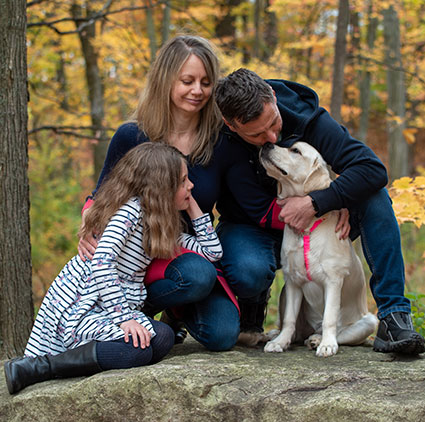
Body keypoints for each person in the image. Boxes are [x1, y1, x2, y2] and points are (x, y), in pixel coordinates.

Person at [214, 68, 425, 355]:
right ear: (231, 125)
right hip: (254, 226)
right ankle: (252, 309)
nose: (273, 137)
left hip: (321, 225)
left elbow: (372, 170)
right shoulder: (217, 138)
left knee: (374, 197)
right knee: (248, 268)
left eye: (274, 123)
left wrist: (326, 201)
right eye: (258, 135)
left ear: (274, 98)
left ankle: (394, 315)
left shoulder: (307, 118)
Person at [4, 142, 226, 395]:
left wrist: (191, 205)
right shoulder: (129, 213)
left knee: (162, 338)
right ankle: (40, 367)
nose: (191, 186)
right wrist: (124, 319)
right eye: (184, 181)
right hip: (87, 302)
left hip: (114, 304)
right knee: (137, 349)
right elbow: (102, 262)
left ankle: (98, 350)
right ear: (162, 189)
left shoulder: (161, 223)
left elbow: (212, 252)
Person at [77, 35, 240, 351]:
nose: (197, 91)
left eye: (206, 82)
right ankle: (134, 311)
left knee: (221, 335)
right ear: (166, 80)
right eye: (187, 80)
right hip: (140, 253)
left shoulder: (220, 141)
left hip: (188, 249)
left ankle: (175, 314)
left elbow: (243, 202)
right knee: (198, 275)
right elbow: (102, 195)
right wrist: (87, 222)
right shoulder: (133, 135)